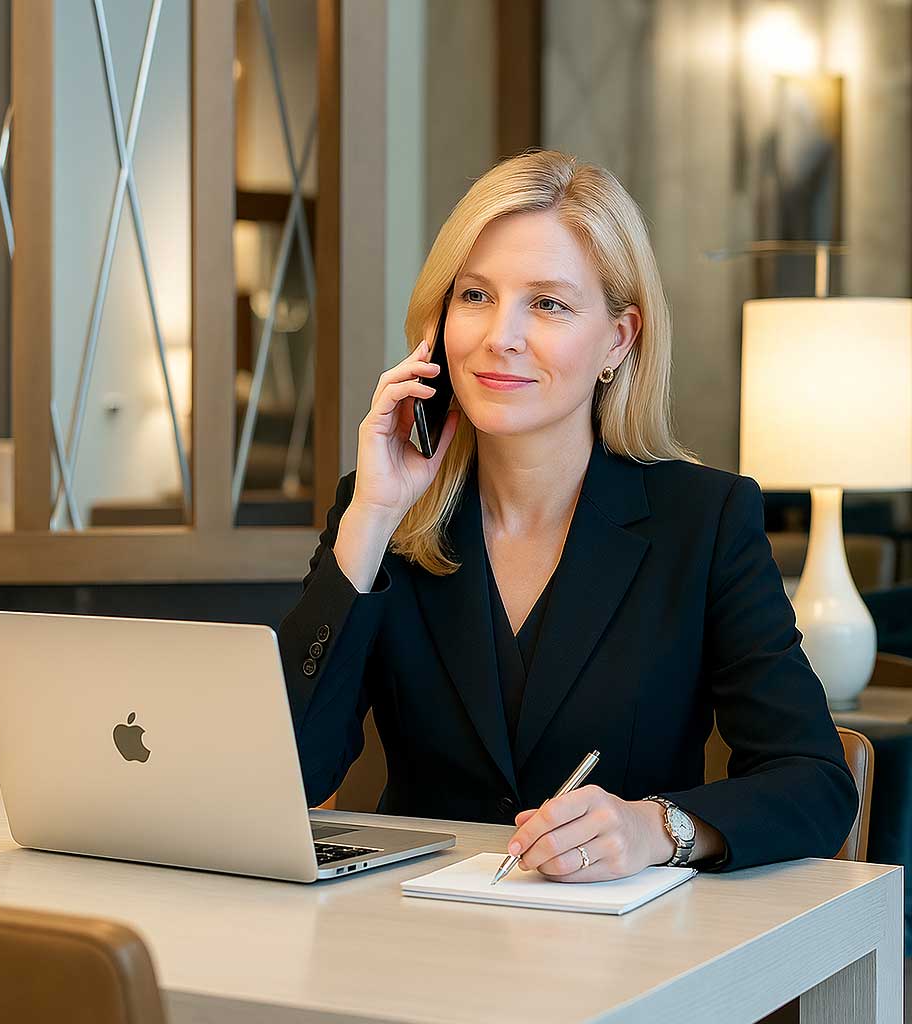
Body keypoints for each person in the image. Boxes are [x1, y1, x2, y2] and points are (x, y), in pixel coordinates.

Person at [278, 150, 858, 881]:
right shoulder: (381, 510)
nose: (501, 336)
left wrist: (657, 828)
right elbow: (286, 777)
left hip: (629, 934)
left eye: (548, 304)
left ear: (618, 338)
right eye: (475, 295)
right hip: (419, 927)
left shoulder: (703, 520)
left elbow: (815, 783)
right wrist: (371, 518)